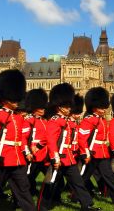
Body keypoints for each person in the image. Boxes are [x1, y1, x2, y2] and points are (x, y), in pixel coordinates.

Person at [36, 83, 99, 211]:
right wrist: (54, 157)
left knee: (77, 182)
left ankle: (87, 204)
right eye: (67, 106)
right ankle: (41, 207)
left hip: (68, 158)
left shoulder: (66, 121)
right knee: (49, 183)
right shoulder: (54, 121)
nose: (70, 108)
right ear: (59, 107)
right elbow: (51, 140)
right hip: (58, 157)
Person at [0, 69, 35, 211]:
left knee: (23, 189)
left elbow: (21, 138)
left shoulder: (17, 117)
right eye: (14, 98)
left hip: (17, 159)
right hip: (1, 158)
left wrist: (26, 151)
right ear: (5, 98)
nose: (17, 101)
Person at [79, 87, 114, 206]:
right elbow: (82, 138)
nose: (103, 110)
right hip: (92, 153)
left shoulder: (101, 120)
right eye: (101, 107)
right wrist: (85, 153)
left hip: (102, 153)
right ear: (93, 107)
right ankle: (76, 195)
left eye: (104, 107)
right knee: (84, 178)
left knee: (108, 176)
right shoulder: (88, 120)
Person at [22, 88, 48, 196]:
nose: (43, 109)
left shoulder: (44, 120)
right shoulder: (29, 120)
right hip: (34, 153)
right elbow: (23, 137)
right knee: (28, 177)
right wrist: (27, 152)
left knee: (52, 177)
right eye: (40, 107)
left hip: (44, 153)